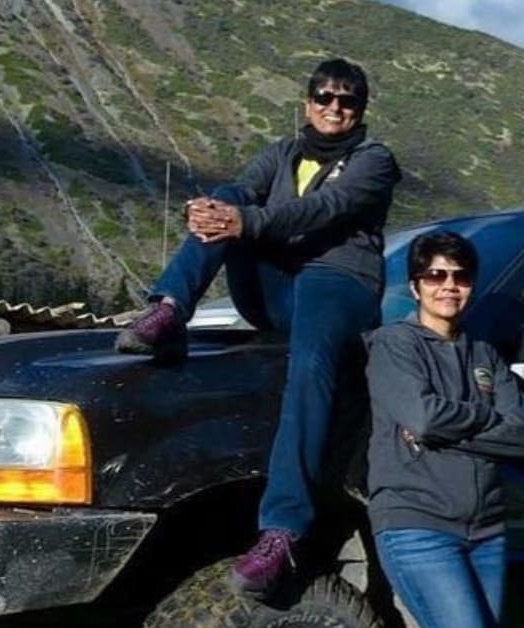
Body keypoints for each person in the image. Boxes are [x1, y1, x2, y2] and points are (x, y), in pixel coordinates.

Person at [114, 58, 401, 596]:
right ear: (307, 103)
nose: (335, 108)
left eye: (348, 101)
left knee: (310, 367)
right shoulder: (282, 155)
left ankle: (282, 531)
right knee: (226, 192)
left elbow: (328, 208)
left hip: (337, 282)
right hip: (278, 287)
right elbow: (243, 196)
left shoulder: (374, 160)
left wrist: (245, 222)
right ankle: (172, 306)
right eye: (324, 97)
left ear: (361, 110)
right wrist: (216, 213)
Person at [365, 231, 524, 628]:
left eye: (460, 277)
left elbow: (521, 436)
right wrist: (486, 420)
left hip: (489, 533)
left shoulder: (486, 356)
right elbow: (423, 417)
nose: (449, 286)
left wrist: (444, 428)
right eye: (435, 276)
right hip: (418, 525)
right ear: (415, 286)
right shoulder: (395, 345)